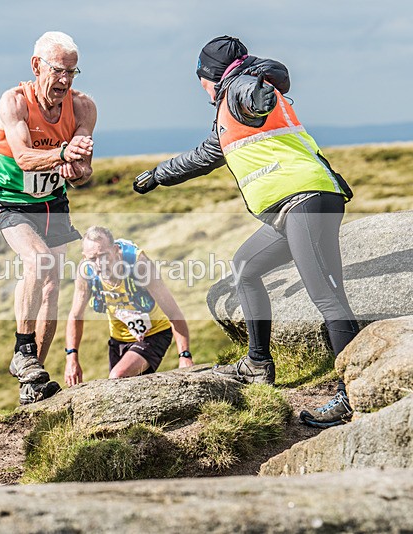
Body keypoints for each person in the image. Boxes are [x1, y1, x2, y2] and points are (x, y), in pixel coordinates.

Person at [132, 36, 359, 428]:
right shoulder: (228, 108)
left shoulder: (239, 89)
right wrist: (157, 175)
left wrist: (256, 90)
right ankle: (257, 364)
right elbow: (205, 155)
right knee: (245, 268)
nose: (200, 86)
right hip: (292, 209)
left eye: (200, 77)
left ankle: (352, 392)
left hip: (305, 200)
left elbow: (257, 94)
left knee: (327, 297)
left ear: (211, 75)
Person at [0, 31, 97, 405]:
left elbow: (83, 172)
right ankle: (23, 350)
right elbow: (24, 157)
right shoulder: (13, 101)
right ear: (37, 66)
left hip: (52, 200)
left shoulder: (83, 108)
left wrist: (78, 170)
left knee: (52, 285)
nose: (65, 80)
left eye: (72, 72)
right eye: (59, 71)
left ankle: (34, 379)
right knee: (38, 260)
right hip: (10, 198)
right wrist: (64, 152)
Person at [64, 227, 192, 386]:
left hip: (154, 333)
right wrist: (71, 358)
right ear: (85, 258)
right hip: (118, 340)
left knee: (117, 376)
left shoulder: (139, 265)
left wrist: (184, 356)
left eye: (104, 256)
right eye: (93, 259)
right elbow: (76, 316)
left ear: (116, 250)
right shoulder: (86, 272)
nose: (99, 264)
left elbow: (173, 312)